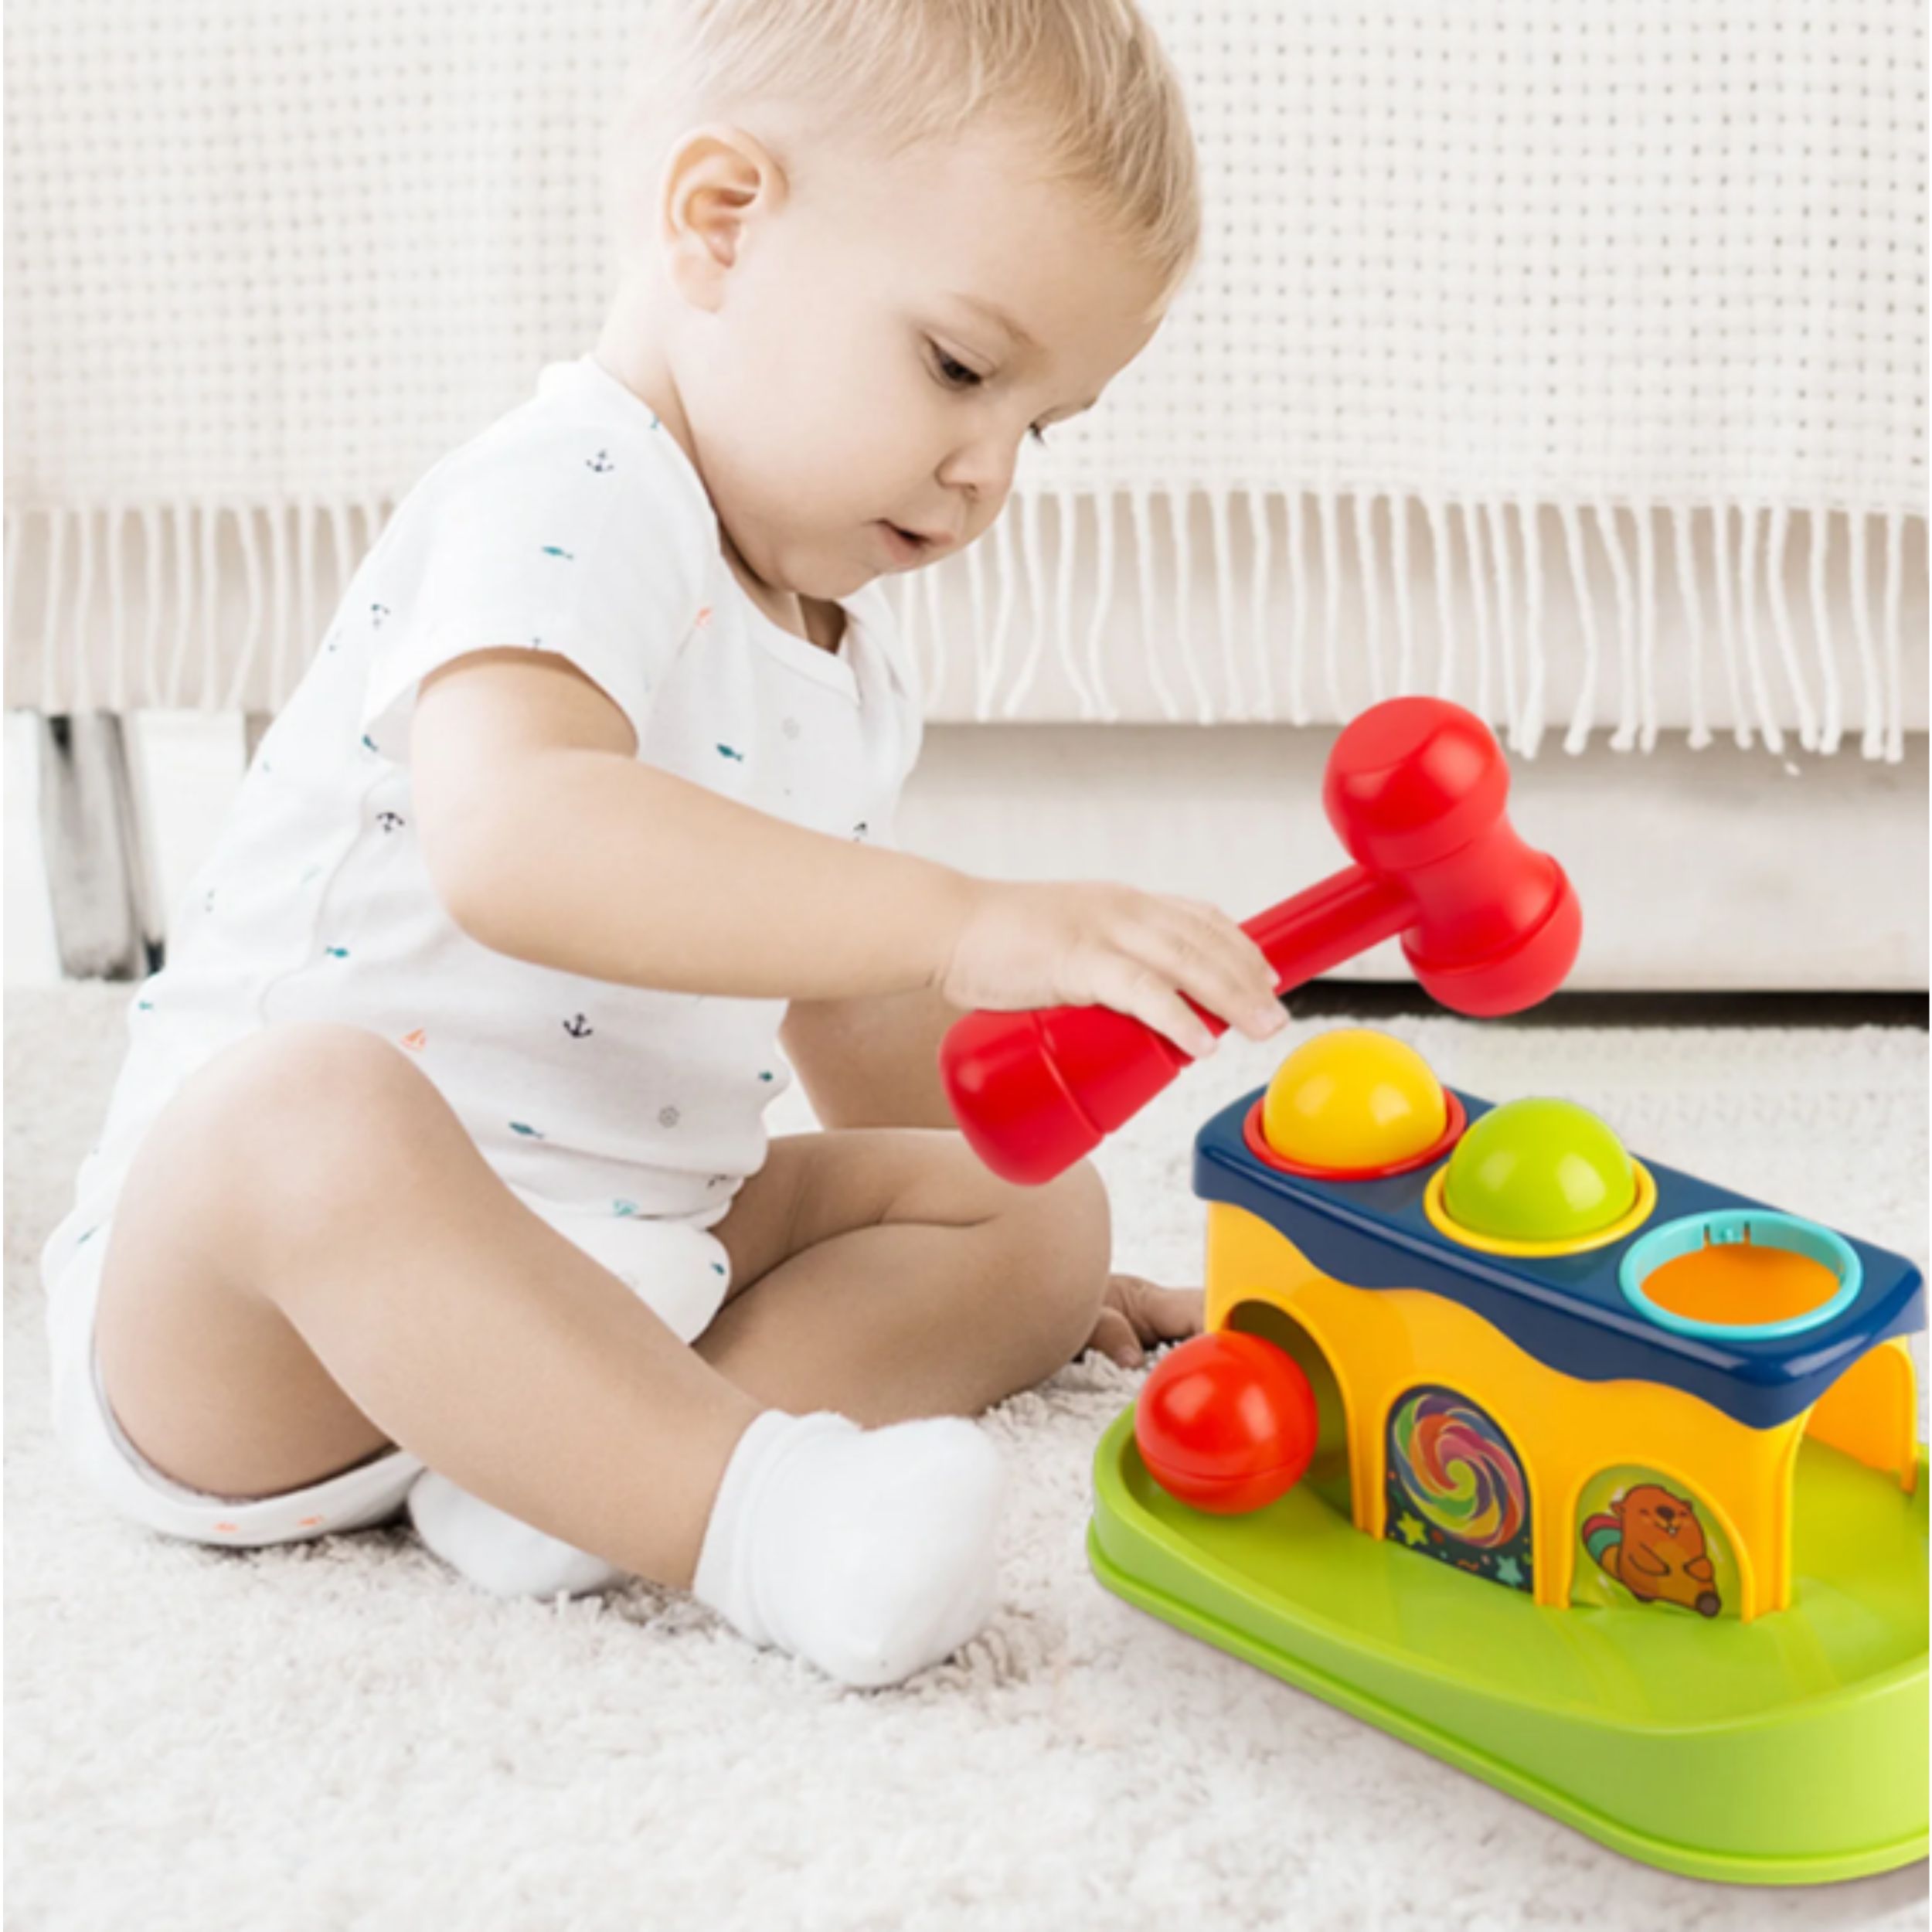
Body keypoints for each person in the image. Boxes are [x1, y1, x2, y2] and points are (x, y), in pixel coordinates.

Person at [39, 0, 1288, 1689]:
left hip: (632, 1243)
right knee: (305, 1109)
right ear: (721, 220)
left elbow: (854, 1024)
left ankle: (574, 1474)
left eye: (1041, 424)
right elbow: (516, 836)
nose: (989, 471)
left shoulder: (842, 656)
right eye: (957, 367)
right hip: (262, 1317)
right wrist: (961, 918)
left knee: (1035, 1216)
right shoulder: (566, 490)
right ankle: (746, 1518)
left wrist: (1025, 1264)